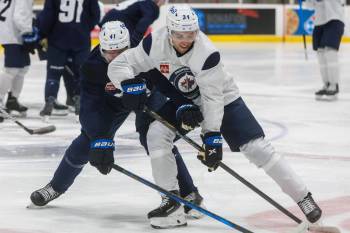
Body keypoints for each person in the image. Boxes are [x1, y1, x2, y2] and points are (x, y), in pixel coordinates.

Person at [107, 4, 323, 228]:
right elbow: (120, 64)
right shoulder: (154, 44)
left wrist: (211, 137)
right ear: (169, 32)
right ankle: (171, 202)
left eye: (190, 34)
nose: (185, 40)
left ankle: (303, 197)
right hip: (186, 103)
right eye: (179, 35)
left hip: (223, 99)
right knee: (156, 135)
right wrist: (128, 84)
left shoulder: (207, 53)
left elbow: (212, 99)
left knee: (257, 147)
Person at [30, 21, 203, 224]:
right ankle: (56, 186)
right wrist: (101, 139)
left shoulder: (144, 53)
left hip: (148, 98)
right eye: (109, 52)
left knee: (156, 139)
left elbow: (163, 81)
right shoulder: (92, 66)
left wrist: (181, 103)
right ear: (101, 47)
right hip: (110, 105)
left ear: (129, 46)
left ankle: (189, 193)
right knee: (87, 142)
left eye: (121, 51)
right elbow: (89, 108)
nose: (115, 57)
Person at [36, 0, 100, 120]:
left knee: (53, 74)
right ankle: (79, 101)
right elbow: (95, 15)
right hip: (81, 40)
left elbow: (47, 18)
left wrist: (42, 34)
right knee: (80, 73)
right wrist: (84, 28)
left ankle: (50, 101)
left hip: (57, 40)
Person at [0, 0, 36, 121]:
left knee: (23, 67)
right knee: (11, 69)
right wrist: (27, 32)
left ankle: (12, 100)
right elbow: (19, 15)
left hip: (10, 31)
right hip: (14, 34)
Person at [304, 0, 345, 101]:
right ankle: (326, 84)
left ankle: (334, 84)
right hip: (319, 21)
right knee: (321, 53)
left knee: (330, 52)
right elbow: (310, 5)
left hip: (334, 18)